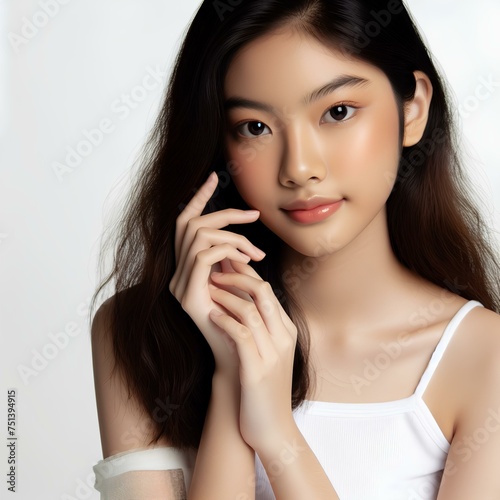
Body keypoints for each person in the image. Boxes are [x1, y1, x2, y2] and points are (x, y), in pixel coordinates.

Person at [90, 0, 500, 498]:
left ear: (412, 109)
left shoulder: (484, 356)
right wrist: (232, 378)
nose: (299, 167)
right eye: (254, 127)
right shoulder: (138, 332)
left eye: (338, 112)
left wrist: (277, 434)